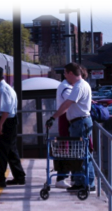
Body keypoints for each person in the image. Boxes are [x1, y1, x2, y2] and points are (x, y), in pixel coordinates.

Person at [46, 63, 95, 191]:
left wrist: (53, 117)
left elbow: (67, 103)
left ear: (71, 73)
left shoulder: (79, 86)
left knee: (82, 154)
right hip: (80, 122)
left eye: (65, 73)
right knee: (82, 154)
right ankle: (83, 182)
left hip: (80, 122)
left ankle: (85, 183)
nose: (64, 75)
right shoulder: (82, 85)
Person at [0, 66, 26, 188]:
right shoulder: (6, 87)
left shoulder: (3, 90)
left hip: (6, 122)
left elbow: (6, 111)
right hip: (10, 122)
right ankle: (19, 177)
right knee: (10, 151)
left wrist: (0, 126)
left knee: (0, 152)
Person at [54, 79, 73, 188]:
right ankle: (62, 177)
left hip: (66, 119)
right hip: (66, 119)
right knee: (66, 149)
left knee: (67, 148)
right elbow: (69, 102)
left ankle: (63, 177)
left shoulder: (65, 86)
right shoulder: (66, 87)